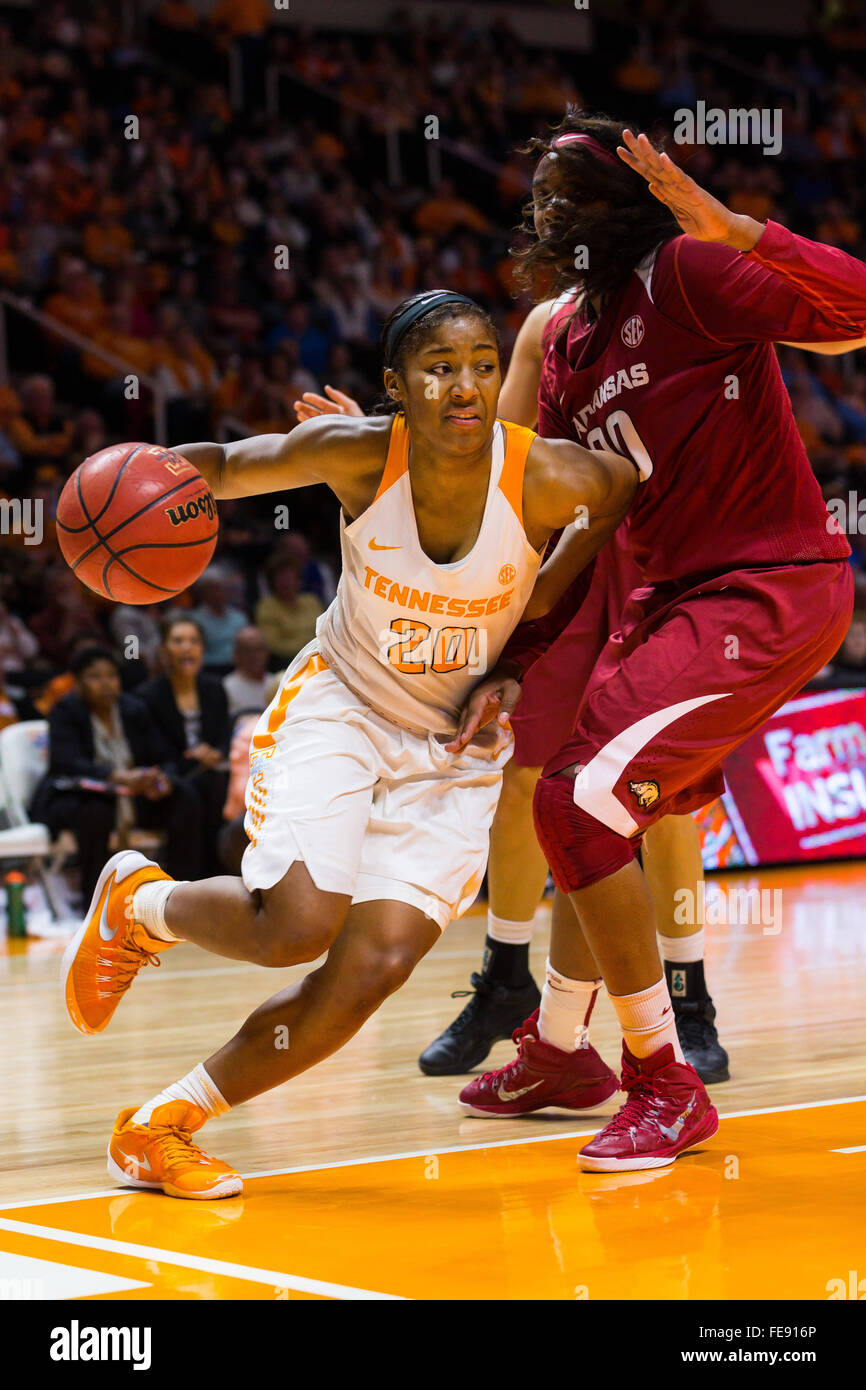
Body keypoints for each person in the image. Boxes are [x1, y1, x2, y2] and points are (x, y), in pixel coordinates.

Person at [60, 290, 637, 1199]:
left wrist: (522, 647)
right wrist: (111, 495)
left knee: (372, 968)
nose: (466, 386)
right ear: (395, 387)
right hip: (344, 705)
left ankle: (160, 1126)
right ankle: (143, 906)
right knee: (293, 928)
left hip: (452, 750)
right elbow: (207, 466)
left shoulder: (554, 477)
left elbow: (617, 499)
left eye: (483, 365)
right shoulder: (361, 454)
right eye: (439, 368)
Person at [447, 120, 863, 1170]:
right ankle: (555, 1047)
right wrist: (515, 652)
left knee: (570, 797)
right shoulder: (569, 344)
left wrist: (737, 230)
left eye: (567, 190)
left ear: (618, 203)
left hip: (763, 587)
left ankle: (664, 1079)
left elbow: (853, 312)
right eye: (537, 191)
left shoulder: (685, 273)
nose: (545, 209)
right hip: (672, 603)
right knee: (595, 818)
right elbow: (570, 523)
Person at [296, 300, 729, 1084]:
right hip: (560, 552)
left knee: (659, 793)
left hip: (661, 556)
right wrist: (391, 454)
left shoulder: (691, 294)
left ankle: (688, 995)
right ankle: (504, 975)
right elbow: (492, 448)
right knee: (526, 769)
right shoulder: (550, 322)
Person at [28, 646, 193, 902]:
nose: (106, 684)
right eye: (95, 677)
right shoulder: (65, 711)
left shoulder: (133, 709)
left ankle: (180, 893)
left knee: (184, 797)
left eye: (111, 676)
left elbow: (165, 755)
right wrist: (117, 776)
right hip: (78, 796)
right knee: (97, 810)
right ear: (78, 682)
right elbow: (66, 762)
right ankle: (93, 901)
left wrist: (161, 780)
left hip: (134, 794)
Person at [135, 617, 230, 879]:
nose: (187, 648)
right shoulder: (148, 696)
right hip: (168, 782)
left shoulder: (215, 688)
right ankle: (186, 884)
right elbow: (153, 751)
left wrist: (216, 752)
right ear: (164, 651)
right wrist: (193, 757)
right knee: (194, 792)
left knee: (221, 786)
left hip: (209, 777)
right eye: (178, 641)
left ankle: (223, 879)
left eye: (194, 641)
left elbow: (224, 734)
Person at [254, 552, 323, 666]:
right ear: (272, 582)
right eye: (281, 578)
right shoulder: (266, 607)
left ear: (298, 580)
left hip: (319, 658)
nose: (286, 582)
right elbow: (274, 645)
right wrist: (309, 647)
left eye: (290, 577)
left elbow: (324, 631)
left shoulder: (311, 601)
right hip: (286, 663)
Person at [222, 625, 272, 717]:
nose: (254, 655)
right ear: (236, 654)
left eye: (258, 649)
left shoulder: (276, 684)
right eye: (247, 650)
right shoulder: (226, 687)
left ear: (267, 652)